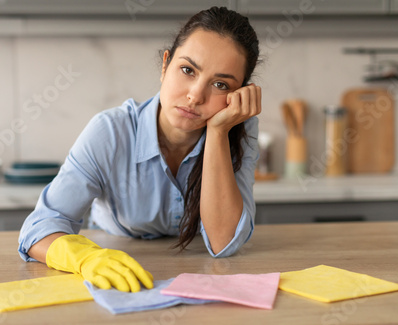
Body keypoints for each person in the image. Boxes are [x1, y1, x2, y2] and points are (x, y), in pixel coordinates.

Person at [18, 6, 261, 293]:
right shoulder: (109, 132)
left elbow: (223, 244)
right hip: (119, 259)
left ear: (236, 96)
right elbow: (38, 229)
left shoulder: (237, 130)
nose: (195, 95)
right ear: (165, 65)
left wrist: (219, 132)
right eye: (187, 70)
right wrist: (85, 258)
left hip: (198, 276)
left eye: (220, 84)